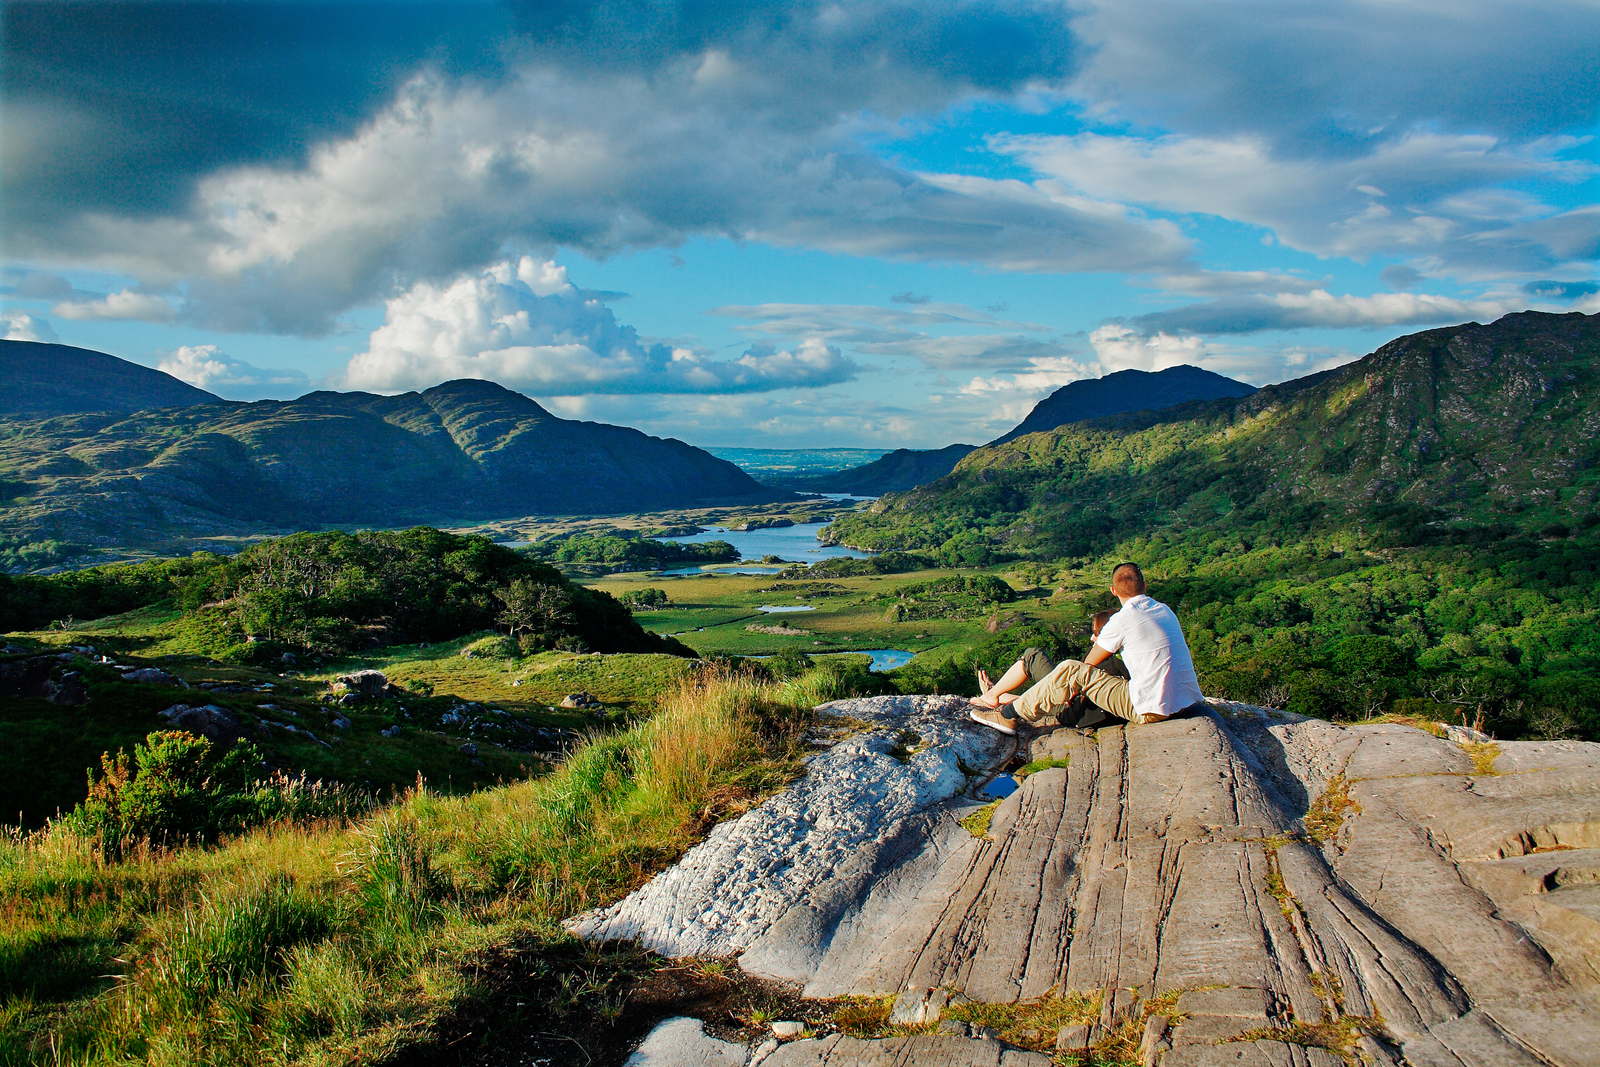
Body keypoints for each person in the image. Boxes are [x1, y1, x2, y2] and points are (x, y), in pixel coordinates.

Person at [967, 562, 1205, 735]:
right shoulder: (1164, 610)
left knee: (1070, 669)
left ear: (1114, 591)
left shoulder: (1123, 619)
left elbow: (1086, 666)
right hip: (1185, 702)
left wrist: (1070, 687)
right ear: (1144, 585)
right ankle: (1004, 703)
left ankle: (1007, 716)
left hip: (1151, 709)